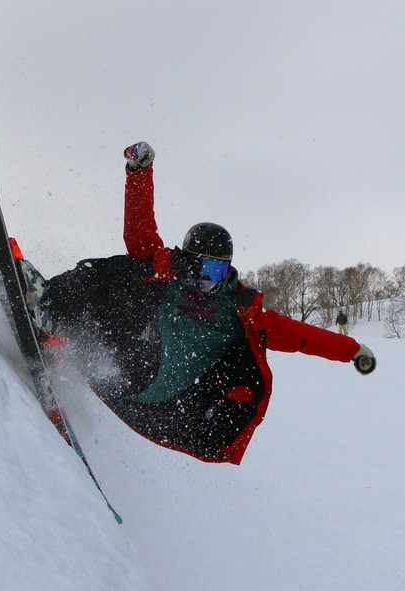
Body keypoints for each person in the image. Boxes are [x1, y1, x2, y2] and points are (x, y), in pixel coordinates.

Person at [26, 141, 376, 465]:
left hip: (157, 395)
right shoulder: (170, 277)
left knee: (136, 308)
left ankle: (71, 341)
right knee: (130, 270)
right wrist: (139, 172)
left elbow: (302, 337)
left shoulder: (240, 312)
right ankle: (53, 310)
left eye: (213, 270)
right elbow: (140, 235)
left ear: (227, 271)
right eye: (196, 267)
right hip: (123, 360)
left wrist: (353, 349)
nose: (202, 280)